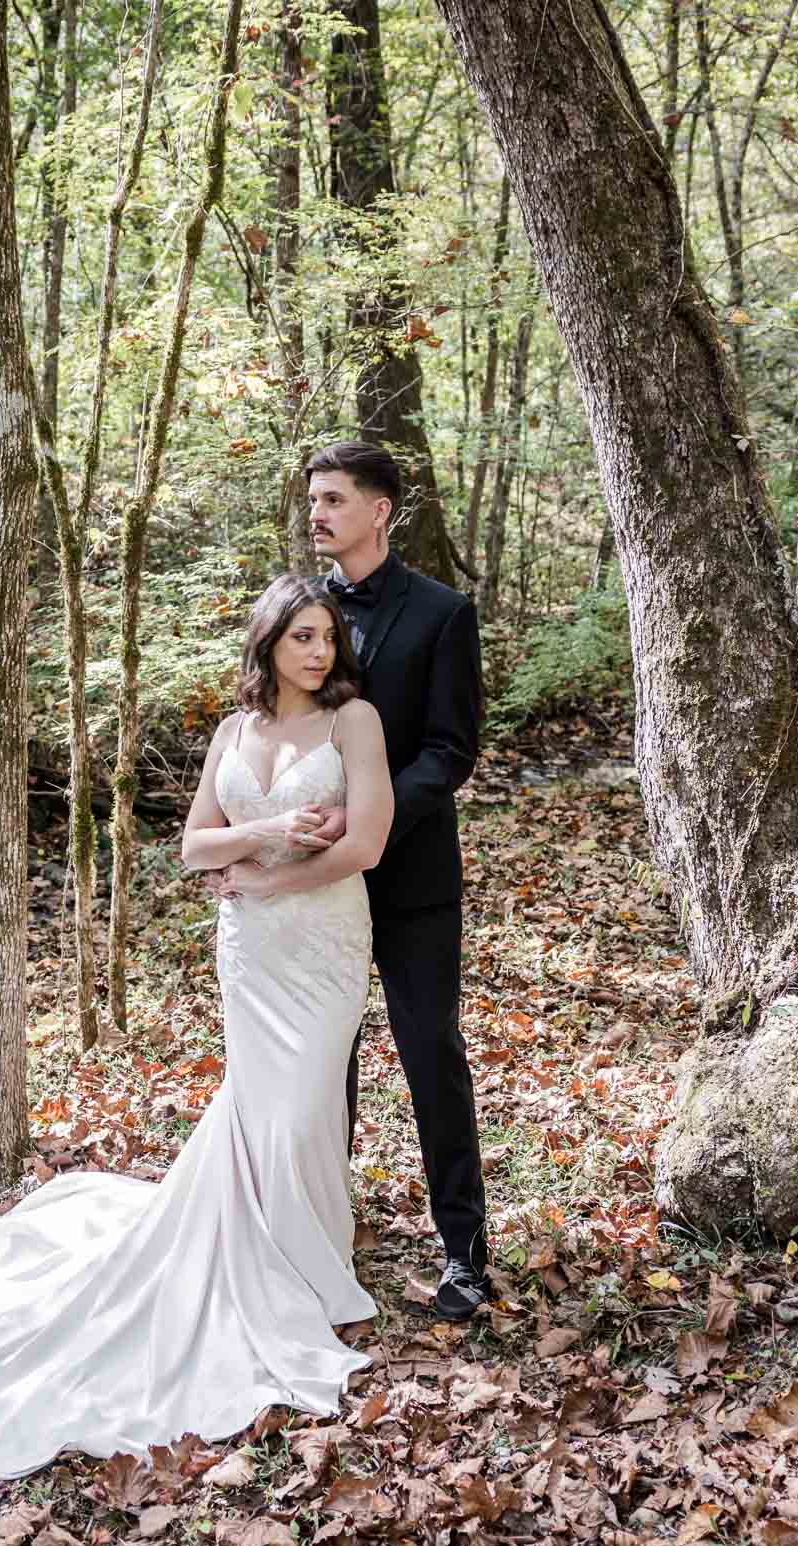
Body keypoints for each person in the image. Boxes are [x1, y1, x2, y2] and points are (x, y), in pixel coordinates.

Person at [0, 575, 394, 1481]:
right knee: (260, 1108)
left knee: (302, 1109)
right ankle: (294, 1263)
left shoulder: (353, 721)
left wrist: (275, 875)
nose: (319, 653)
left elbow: (367, 844)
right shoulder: (234, 733)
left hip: (321, 941)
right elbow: (194, 844)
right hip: (247, 948)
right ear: (269, 645)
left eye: (327, 637)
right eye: (302, 638)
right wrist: (273, 828)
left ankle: (310, 1265)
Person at [301, 439, 491, 1319]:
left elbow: (451, 751)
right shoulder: (299, 611)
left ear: (380, 510)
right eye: (313, 498)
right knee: (319, 1063)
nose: (318, 512)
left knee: (431, 1058)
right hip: (313, 881)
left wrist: (369, 815)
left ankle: (463, 1253)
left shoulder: (444, 612)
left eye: (334, 498)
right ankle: (318, 1238)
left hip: (412, 877)